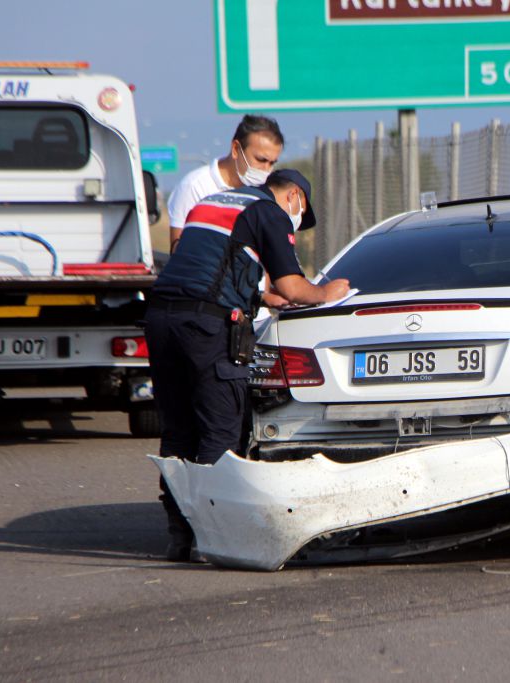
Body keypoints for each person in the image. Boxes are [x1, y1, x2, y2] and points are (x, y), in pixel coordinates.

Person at [145, 169, 350, 562]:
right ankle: (211, 537)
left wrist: (261, 297)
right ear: (294, 196)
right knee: (220, 431)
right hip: (206, 327)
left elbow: (208, 264)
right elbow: (292, 285)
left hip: (161, 319)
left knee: (178, 433)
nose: (296, 220)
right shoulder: (270, 211)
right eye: (300, 212)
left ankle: (179, 536)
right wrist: (326, 292)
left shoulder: (214, 201)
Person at [166, 114, 283, 253]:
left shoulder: (265, 193)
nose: (266, 169)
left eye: (272, 163)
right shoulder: (194, 187)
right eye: (261, 160)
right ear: (235, 149)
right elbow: (178, 251)